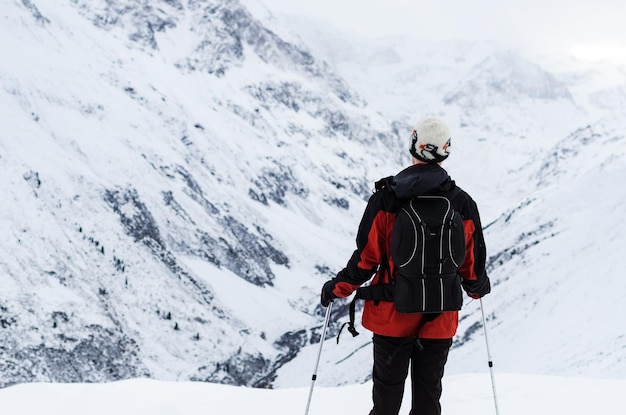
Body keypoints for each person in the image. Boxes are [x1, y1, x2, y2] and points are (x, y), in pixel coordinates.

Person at [320, 117, 491, 415]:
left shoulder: (387, 199)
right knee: (428, 401)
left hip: (391, 317)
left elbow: (366, 260)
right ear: (445, 152)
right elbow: (471, 267)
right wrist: (477, 290)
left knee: (386, 402)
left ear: (413, 145)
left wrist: (338, 288)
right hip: (439, 319)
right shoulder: (462, 204)